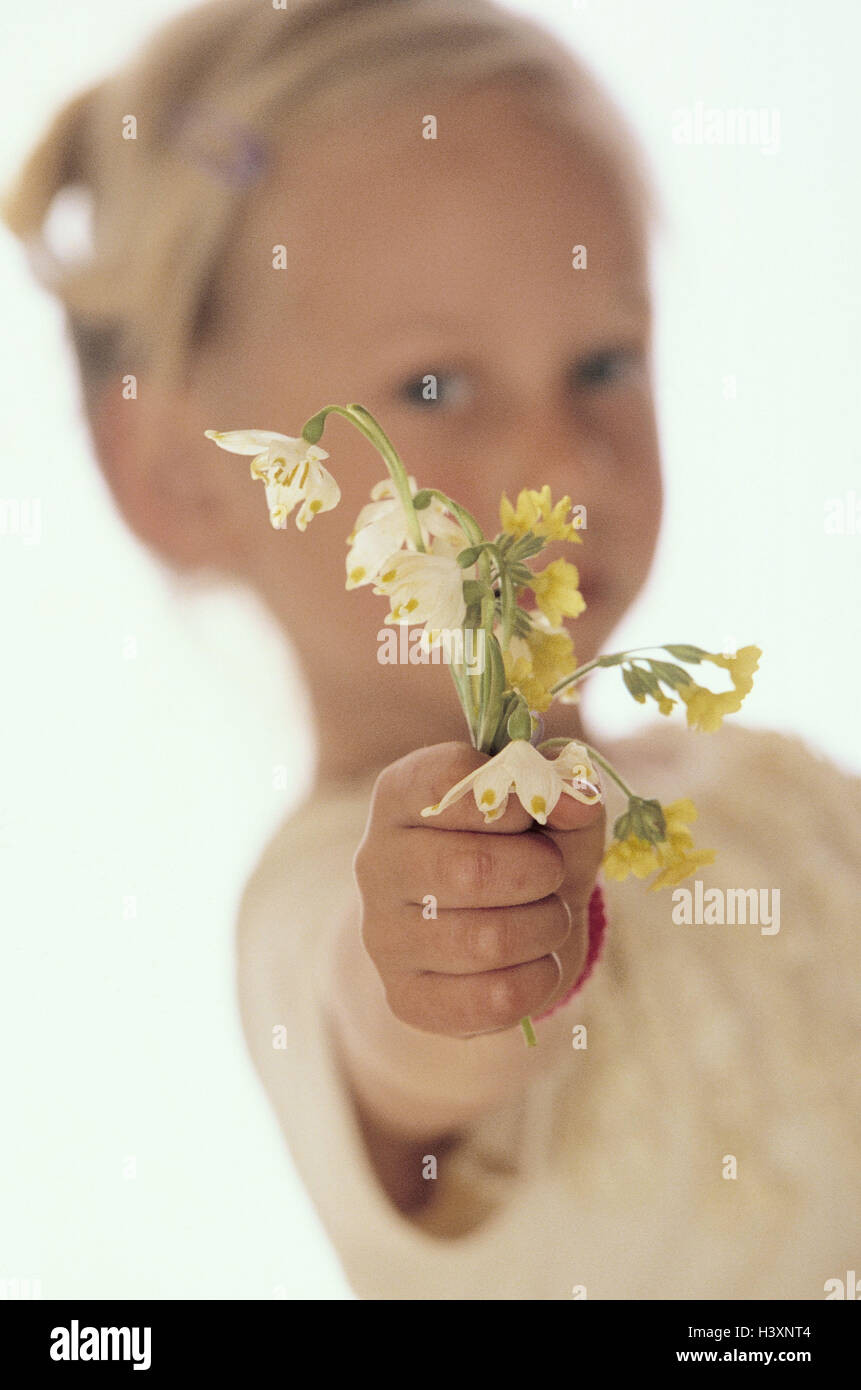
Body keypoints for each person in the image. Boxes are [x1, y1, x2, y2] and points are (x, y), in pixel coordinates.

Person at [4, 0, 859, 1300]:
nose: (563, 460)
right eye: (433, 390)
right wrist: (444, 952)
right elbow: (394, 1027)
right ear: (177, 476)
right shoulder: (339, 897)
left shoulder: (773, 785)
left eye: (603, 360)